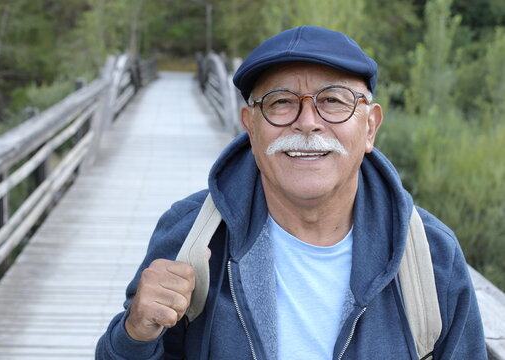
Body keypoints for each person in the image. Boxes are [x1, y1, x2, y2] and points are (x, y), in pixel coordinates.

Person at [96, 25, 487, 359]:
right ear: (250, 126)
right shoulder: (190, 235)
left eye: (333, 101)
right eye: (281, 103)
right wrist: (136, 333)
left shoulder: (431, 256)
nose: (307, 123)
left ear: (370, 127)